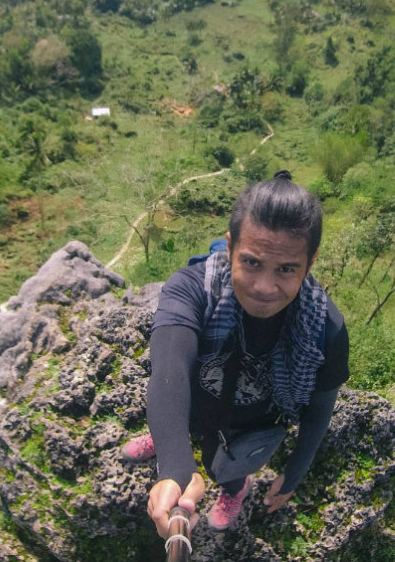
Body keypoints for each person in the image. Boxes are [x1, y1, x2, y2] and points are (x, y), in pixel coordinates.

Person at [121, 170, 349, 537]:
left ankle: (234, 489)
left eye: (287, 269)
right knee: (175, 422)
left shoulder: (325, 327)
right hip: (194, 401)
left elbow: (319, 412)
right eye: (252, 262)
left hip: (252, 424)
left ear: (312, 260)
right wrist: (175, 467)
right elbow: (169, 372)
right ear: (230, 247)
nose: (264, 287)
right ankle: (170, 436)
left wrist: (292, 476)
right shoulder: (193, 289)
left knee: (228, 469)